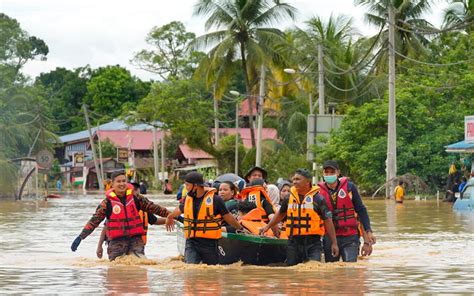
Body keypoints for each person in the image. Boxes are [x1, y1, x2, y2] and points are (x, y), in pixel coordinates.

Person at [70, 171, 170, 261]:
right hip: (116, 243)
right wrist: (80, 237)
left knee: (140, 267)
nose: (122, 184)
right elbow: (94, 222)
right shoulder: (107, 203)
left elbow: (156, 208)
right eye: (118, 181)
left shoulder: (137, 199)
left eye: (124, 181)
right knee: (116, 273)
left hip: (135, 241)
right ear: (112, 184)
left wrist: (175, 216)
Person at [260, 168, 339, 266]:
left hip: (313, 243)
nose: (294, 182)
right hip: (293, 243)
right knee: (293, 275)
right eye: (293, 179)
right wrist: (267, 227)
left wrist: (334, 243)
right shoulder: (289, 198)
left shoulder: (318, 199)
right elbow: (281, 214)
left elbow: (328, 220)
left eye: (298, 179)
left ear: (307, 181)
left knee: (313, 271)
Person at [165, 171, 244, 265]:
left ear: (196, 186)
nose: (186, 188)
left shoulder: (216, 200)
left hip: (210, 243)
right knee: (191, 269)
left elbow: (228, 217)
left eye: (187, 185)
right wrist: (170, 217)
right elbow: (178, 210)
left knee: (211, 272)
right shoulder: (188, 198)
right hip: (192, 242)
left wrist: (240, 228)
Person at [319, 160, 376, 263]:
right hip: (330, 237)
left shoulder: (349, 187)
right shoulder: (318, 191)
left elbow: (361, 211)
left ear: (338, 173)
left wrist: (368, 233)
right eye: (326, 172)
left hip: (350, 235)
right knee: (331, 270)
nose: (329, 175)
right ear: (323, 174)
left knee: (350, 269)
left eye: (332, 172)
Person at [95, 182, 165, 259]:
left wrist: (172, 219)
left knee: (137, 265)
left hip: (136, 243)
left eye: (136, 190)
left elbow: (155, 221)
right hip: (118, 244)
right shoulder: (117, 208)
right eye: (132, 190)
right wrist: (99, 246)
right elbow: (105, 227)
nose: (134, 192)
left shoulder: (143, 208)